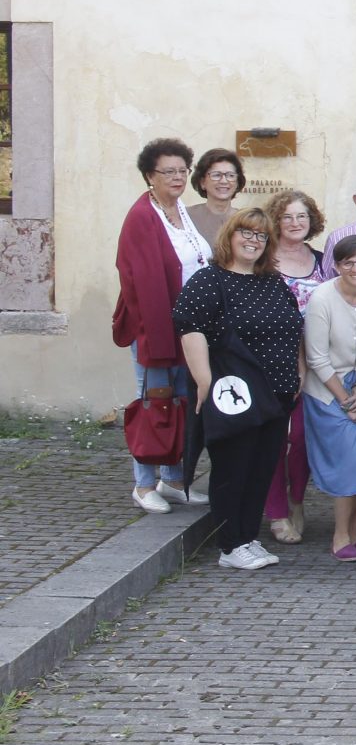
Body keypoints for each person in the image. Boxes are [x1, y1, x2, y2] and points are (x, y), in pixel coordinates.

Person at [174, 207, 305, 571]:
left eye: (261, 236)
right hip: (236, 394)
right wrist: (203, 379)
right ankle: (230, 545)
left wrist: (298, 374)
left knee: (262, 469)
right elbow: (190, 327)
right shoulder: (209, 280)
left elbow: (293, 330)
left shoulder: (273, 282)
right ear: (230, 236)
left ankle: (248, 537)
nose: (253, 240)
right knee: (234, 469)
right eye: (246, 232)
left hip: (277, 394)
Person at [114, 138, 211, 513]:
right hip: (156, 330)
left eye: (182, 170)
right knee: (154, 403)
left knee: (180, 405)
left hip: (185, 328)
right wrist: (159, 341)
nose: (176, 177)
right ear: (149, 176)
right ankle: (142, 484)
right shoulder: (143, 216)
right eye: (167, 171)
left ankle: (172, 480)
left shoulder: (178, 209)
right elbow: (142, 282)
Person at [300, 234, 356, 561]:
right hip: (328, 390)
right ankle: (340, 536)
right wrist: (347, 400)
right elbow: (316, 358)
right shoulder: (322, 298)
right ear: (336, 266)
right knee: (351, 461)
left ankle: (355, 532)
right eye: (348, 262)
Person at [259, 189, 327, 543]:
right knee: (275, 440)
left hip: (314, 362)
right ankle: (277, 513)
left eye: (302, 216)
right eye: (287, 217)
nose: (295, 223)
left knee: (301, 439)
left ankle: (297, 499)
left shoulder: (321, 261)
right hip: (273, 362)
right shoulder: (264, 260)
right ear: (276, 221)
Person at [186, 147, 246, 247]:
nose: (224, 181)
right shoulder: (186, 217)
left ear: (237, 182)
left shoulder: (245, 220)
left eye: (230, 175)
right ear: (202, 182)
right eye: (216, 175)